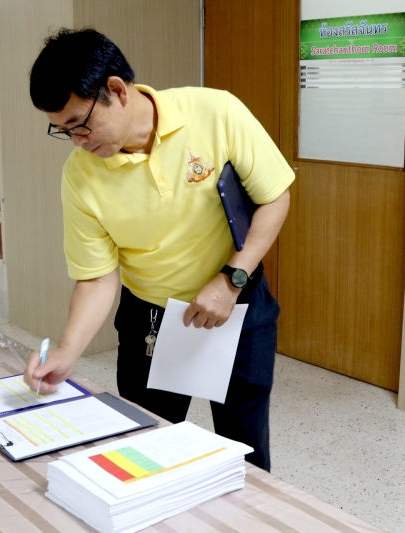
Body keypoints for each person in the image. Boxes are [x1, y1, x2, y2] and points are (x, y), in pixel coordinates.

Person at [23, 28, 294, 471]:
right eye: (63, 130)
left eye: (80, 124)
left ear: (116, 90)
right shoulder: (80, 175)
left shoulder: (216, 111)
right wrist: (67, 352)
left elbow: (274, 197)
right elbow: (97, 277)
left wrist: (232, 279)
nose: (77, 141)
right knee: (146, 449)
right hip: (150, 319)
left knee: (244, 448)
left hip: (238, 302)